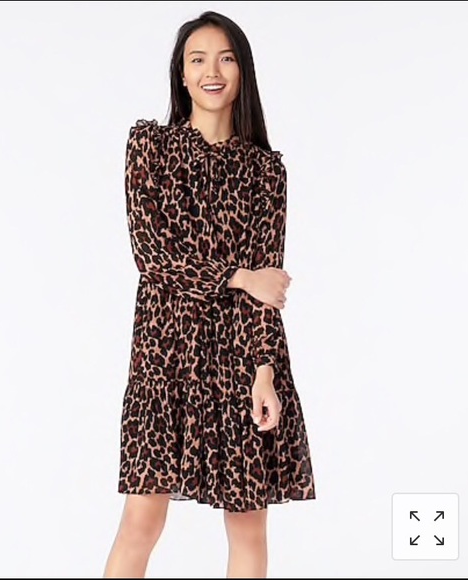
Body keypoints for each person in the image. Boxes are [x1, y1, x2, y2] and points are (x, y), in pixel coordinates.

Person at [103, 10, 316, 579]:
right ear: (181, 74)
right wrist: (238, 276)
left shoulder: (265, 171)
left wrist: (264, 373)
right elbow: (152, 255)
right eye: (197, 60)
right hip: (164, 355)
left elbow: (268, 287)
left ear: (242, 71)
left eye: (225, 59)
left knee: (248, 528)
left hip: (239, 357)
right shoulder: (150, 148)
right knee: (141, 522)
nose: (211, 72)